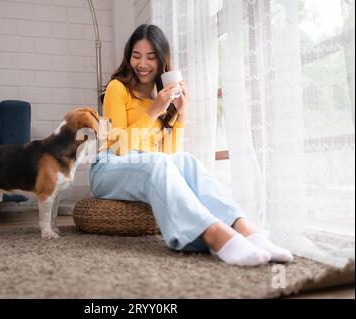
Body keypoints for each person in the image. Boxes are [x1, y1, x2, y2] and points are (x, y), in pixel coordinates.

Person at [89, 24, 293, 266]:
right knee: (157, 162)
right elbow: (120, 146)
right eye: (136, 56)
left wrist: (180, 116)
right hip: (108, 166)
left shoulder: (161, 101)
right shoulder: (118, 88)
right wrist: (155, 111)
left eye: (151, 57)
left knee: (186, 161)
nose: (143, 64)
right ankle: (214, 235)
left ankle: (247, 231)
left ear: (162, 61)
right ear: (128, 57)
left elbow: (170, 159)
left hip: (146, 165)